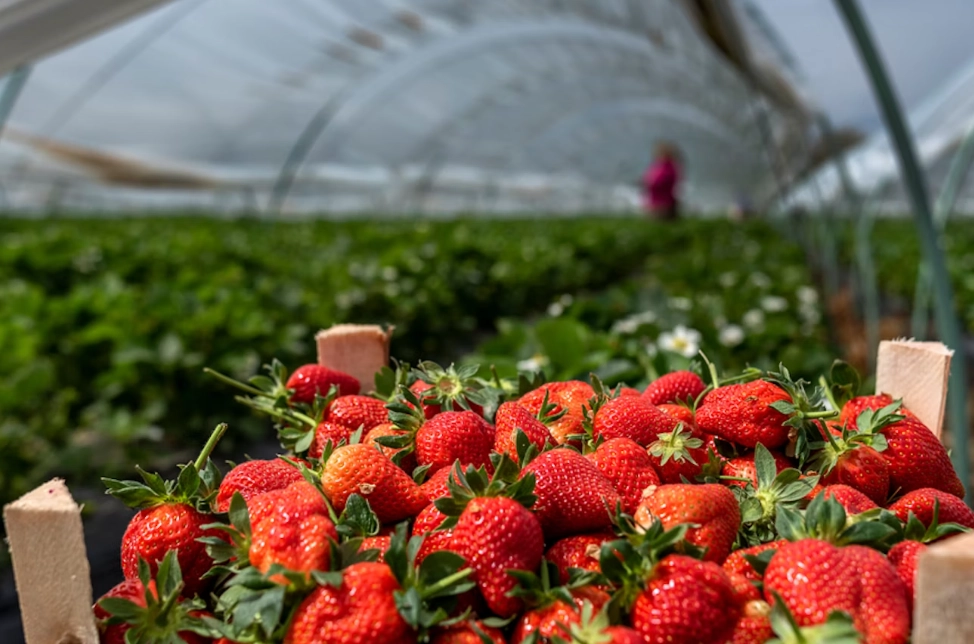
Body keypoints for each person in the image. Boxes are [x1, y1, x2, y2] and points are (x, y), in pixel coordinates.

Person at [642, 143, 682, 220]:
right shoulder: (670, 167)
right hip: (663, 202)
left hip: (662, 205)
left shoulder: (666, 168)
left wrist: (647, 183)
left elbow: (657, 183)